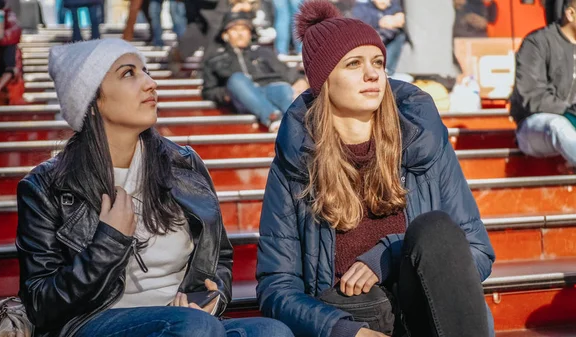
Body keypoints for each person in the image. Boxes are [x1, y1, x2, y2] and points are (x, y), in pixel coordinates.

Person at [15, 38, 294, 337]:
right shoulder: (47, 186)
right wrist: (108, 244)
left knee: (271, 331)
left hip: (186, 322)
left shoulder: (183, 164)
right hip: (95, 322)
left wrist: (211, 298)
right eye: (128, 74)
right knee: (193, 328)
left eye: (146, 71)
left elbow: (219, 258)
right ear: (92, 101)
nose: (150, 83)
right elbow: (39, 302)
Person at [255, 1, 496, 337]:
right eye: (353, 64)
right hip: (351, 317)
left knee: (436, 230)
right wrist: (343, 331)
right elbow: (277, 287)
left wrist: (388, 255)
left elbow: (476, 251)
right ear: (324, 81)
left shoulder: (424, 140)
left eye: (378, 63)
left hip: (428, 312)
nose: (372, 74)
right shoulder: (295, 160)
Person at [202, 11, 308, 132]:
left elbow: (285, 71)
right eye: (234, 29)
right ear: (225, 35)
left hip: (269, 90)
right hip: (242, 98)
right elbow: (208, 90)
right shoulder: (215, 59)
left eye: (244, 29)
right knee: (237, 80)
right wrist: (225, 94)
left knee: (283, 88)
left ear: (250, 33)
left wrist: (300, 80)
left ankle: (299, 124)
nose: (240, 34)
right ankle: (273, 117)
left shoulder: (263, 52)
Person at [510, 0, 576, 170]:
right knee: (558, 127)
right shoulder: (537, 43)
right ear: (570, 14)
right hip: (535, 128)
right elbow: (532, 96)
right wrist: (569, 111)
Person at [352, 0, 405, 75]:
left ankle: (386, 71)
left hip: (388, 37)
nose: (383, 1)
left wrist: (390, 21)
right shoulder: (362, 6)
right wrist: (382, 22)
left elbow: (401, 20)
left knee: (400, 36)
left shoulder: (393, 5)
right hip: (369, 39)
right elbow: (360, 26)